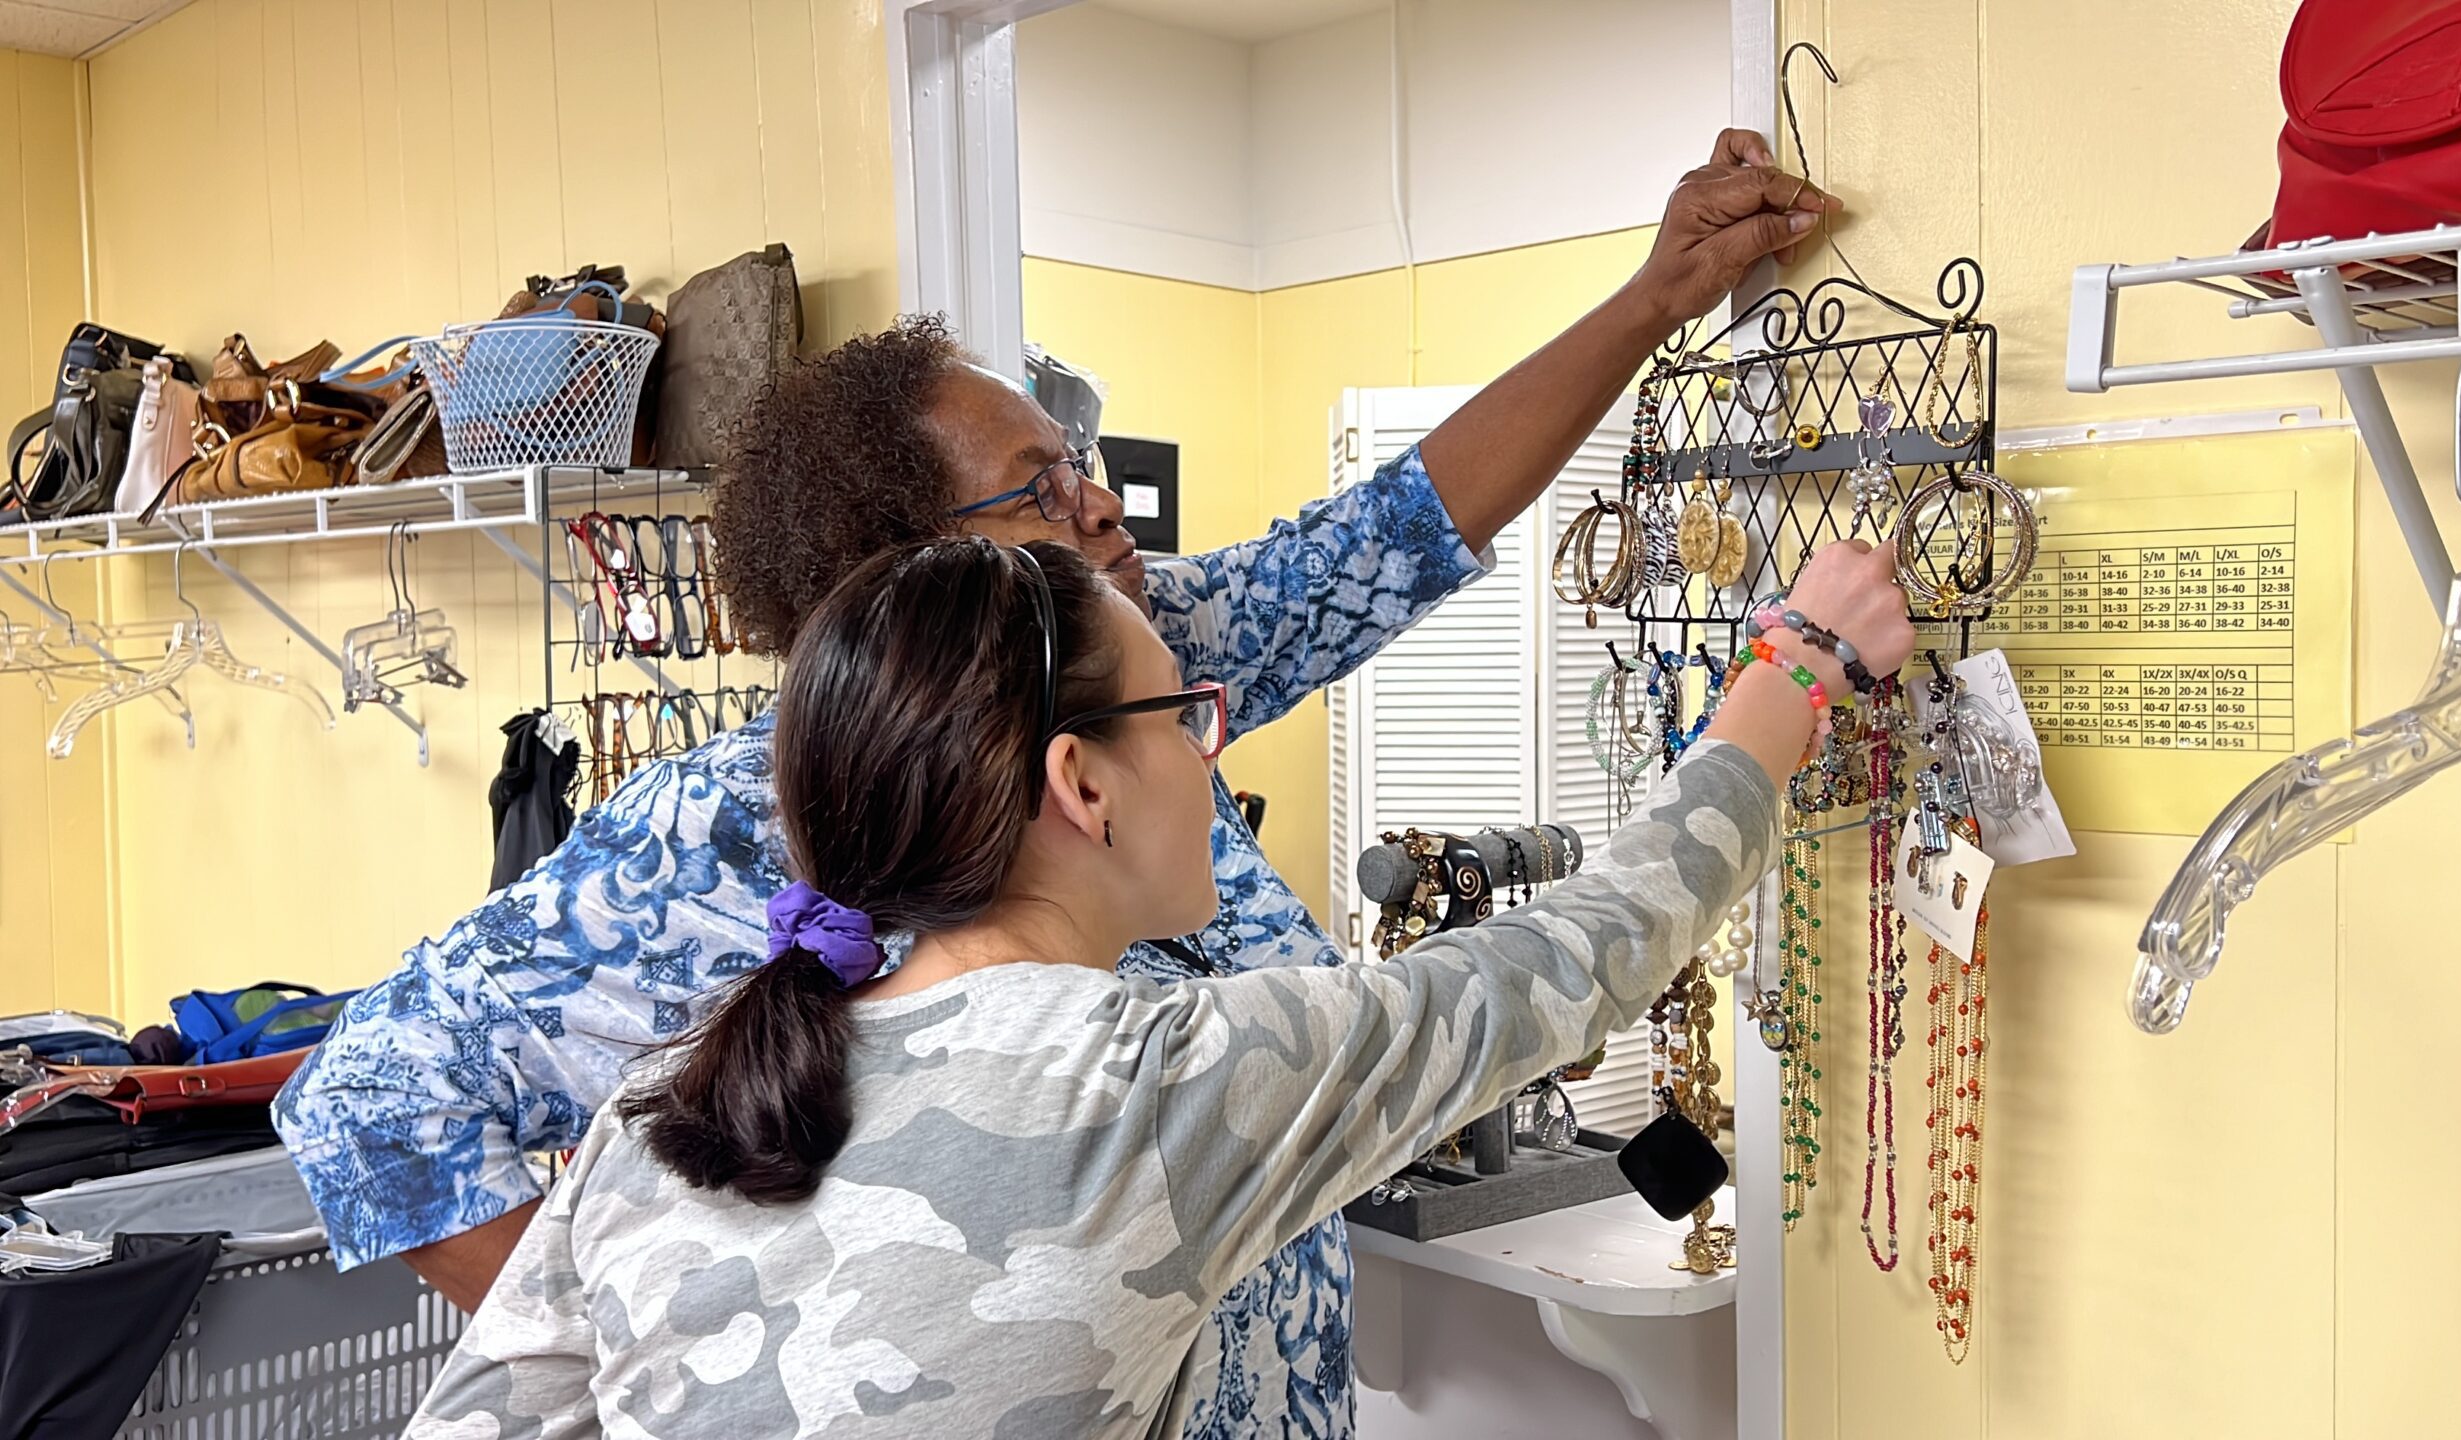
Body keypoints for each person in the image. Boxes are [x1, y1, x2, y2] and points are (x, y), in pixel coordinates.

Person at [277, 131, 1839, 1440]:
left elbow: (1399, 530)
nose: (1106, 507)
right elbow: (369, 1100)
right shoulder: (719, 826)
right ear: (914, 581)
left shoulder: (1148, 654)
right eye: (1045, 485)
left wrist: (1661, 296)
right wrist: (735, 1377)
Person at [404, 535, 1915, 1439]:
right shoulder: (1160, 1083)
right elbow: (1582, 957)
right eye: (1183, 715)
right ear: (1084, 785)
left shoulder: (666, 1103)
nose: (1211, 748)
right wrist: (1797, 663)